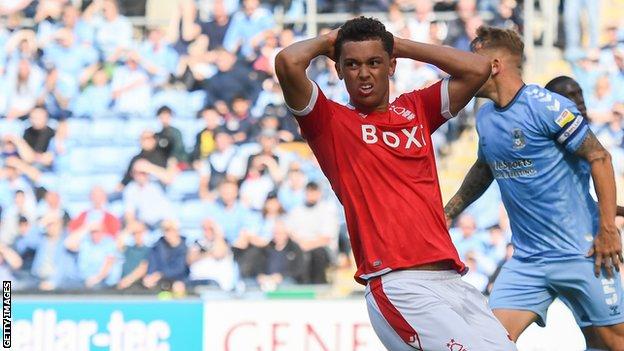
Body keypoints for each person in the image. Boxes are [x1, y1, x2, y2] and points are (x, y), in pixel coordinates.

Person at [275, 17, 514, 350]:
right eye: (352, 64)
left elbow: (478, 68)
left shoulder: (416, 108)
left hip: (451, 279)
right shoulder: (329, 123)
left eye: (375, 62)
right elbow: (287, 62)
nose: (364, 72)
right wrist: (331, 39)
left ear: (391, 65)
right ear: (339, 71)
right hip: (399, 284)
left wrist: (396, 42)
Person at [444, 26, 624, 349]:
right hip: (527, 261)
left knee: (613, 343)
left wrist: (608, 229)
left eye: (472, 60)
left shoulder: (546, 107)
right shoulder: (486, 119)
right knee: (488, 341)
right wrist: (448, 212)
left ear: (494, 65)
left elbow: (600, 156)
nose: (464, 68)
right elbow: (484, 169)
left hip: (581, 253)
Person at [544, 75, 624, 218]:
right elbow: (568, 204)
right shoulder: (552, 149)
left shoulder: (582, 137)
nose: (580, 100)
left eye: (580, 93)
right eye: (571, 95)